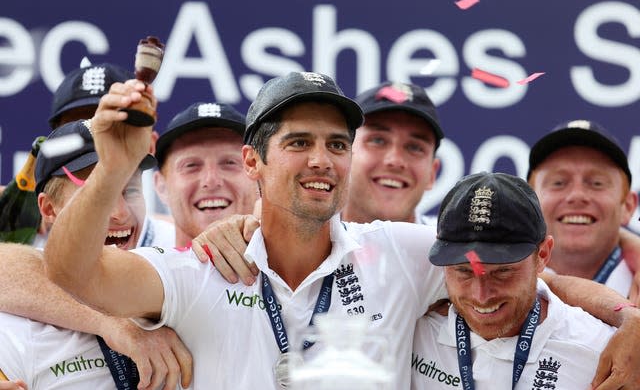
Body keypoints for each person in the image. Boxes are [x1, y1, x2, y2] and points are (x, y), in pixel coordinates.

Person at [44, 73, 640, 389]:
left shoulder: (401, 252)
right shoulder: (202, 268)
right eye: (298, 143)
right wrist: (114, 170)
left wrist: (630, 321)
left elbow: (534, 277)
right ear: (254, 162)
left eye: (336, 144)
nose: (321, 160)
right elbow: (71, 273)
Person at [0, 119, 193, 389]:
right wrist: (112, 322)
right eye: (96, 193)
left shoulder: (186, 280)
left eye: (131, 190)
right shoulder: (18, 326)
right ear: (48, 209)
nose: (120, 212)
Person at [411, 172, 618, 389]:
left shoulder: (601, 350)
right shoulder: (412, 327)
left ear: (543, 255)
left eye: (503, 271)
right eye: (463, 271)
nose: (481, 295)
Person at [43, 58, 174, 248]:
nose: (101, 141)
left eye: (115, 126)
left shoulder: (179, 247)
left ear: (149, 147)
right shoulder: (20, 243)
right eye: (80, 129)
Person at [527, 120, 639, 297]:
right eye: (558, 183)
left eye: (597, 183)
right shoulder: (483, 292)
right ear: (528, 204)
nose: (577, 195)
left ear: (628, 206)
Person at [153, 102, 258, 249]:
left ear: (261, 179)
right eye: (191, 165)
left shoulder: (295, 266)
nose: (211, 181)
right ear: (161, 186)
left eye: (230, 163)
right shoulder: (137, 265)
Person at [342, 82, 443, 224]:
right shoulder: (303, 243)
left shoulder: (456, 246)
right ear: (342, 155)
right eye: (377, 140)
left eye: (415, 148)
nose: (395, 161)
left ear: (432, 174)